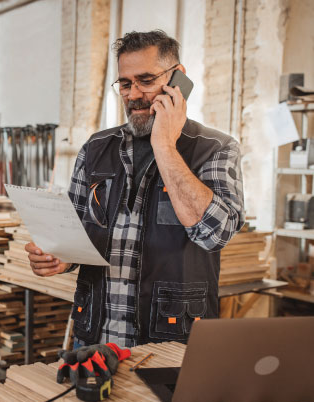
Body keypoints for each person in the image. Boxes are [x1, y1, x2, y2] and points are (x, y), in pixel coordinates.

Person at [25, 30, 245, 348]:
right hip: (94, 336)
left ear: (177, 79)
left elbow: (215, 234)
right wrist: (61, 258)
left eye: (145, 80)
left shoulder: (216, 149)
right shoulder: (96, 148)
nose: (133, 94)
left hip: (170, 340)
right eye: (125, 84)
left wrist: (165, 146)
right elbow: (75, 233)